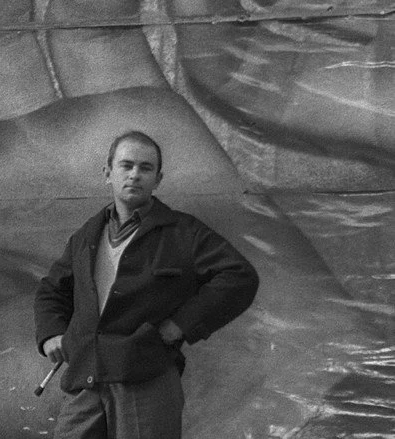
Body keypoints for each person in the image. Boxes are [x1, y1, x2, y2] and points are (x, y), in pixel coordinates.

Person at [34, 130, 259, 438]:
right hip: (87, 377)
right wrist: (51, 334)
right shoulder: (87, 235)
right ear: (107, 173)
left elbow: (239, 276)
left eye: (146, 168)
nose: (135, 175)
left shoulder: (183, 232)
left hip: (146, 378)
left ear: (158, 179)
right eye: (126, 166)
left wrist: (181, 324)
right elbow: (52, 289)